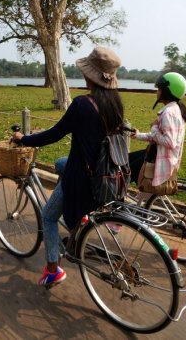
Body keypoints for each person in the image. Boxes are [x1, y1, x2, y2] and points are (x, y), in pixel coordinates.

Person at [12, 47, 125, 288]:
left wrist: (24, 138)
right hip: (105, 173)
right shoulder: (114, 104)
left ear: (89, 76)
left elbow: (55, 134)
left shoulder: (83, 104)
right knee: (59, 163)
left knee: (48, 217)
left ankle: (53, 270)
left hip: (84, 179)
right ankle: (78, 221)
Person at [128, 72, 186, 191]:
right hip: (159, 155)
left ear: (167, 91)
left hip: (159, 159)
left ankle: (117, 205)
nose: (157, 92)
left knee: (123, 172)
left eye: (159, 89)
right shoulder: (176, 109)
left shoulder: (168, 113)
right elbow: (158, 137)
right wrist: (138, 135)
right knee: (126, 161)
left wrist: (154, 127)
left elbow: (169, 142)